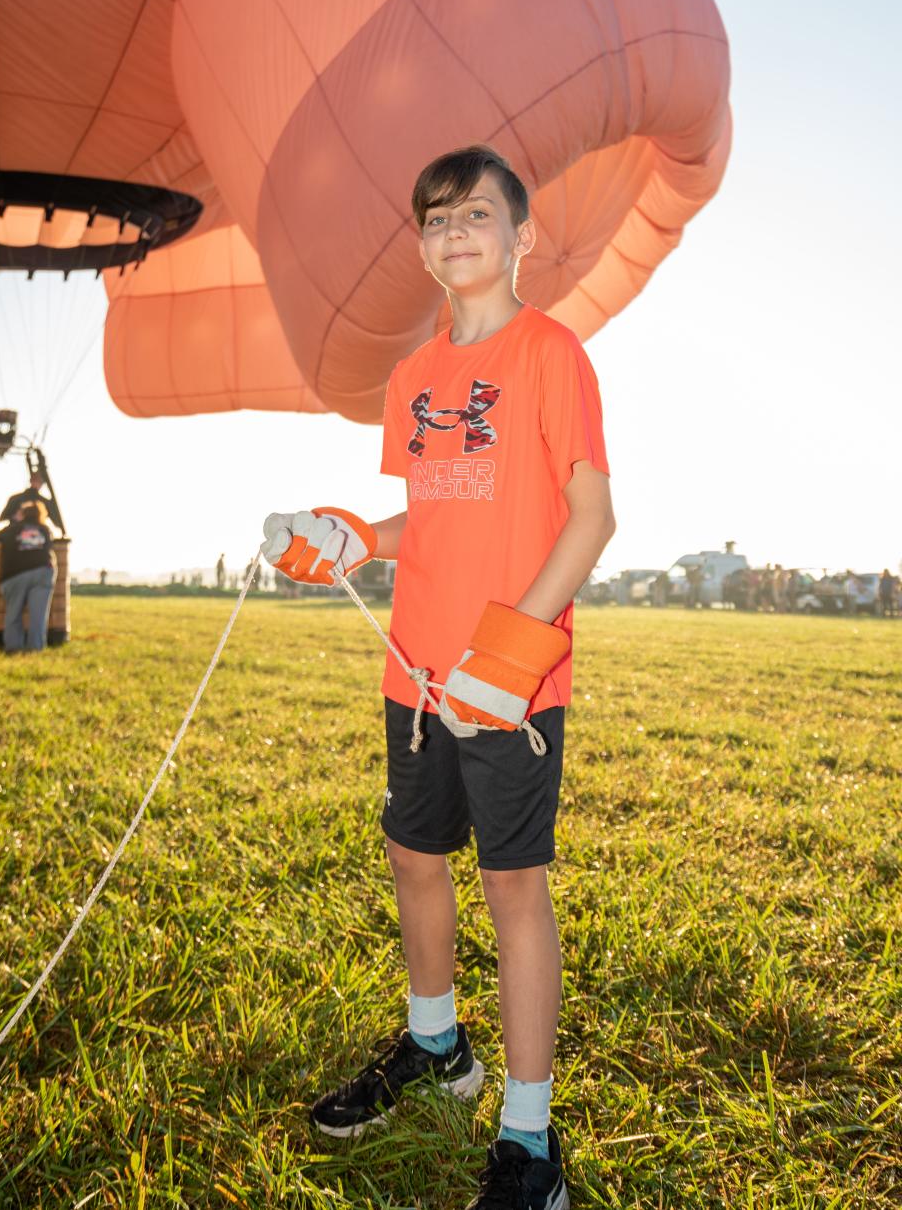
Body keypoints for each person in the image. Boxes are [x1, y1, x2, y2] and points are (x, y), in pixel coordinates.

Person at [263, 146, 614, 1210]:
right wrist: (358, 531)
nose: (453, 230)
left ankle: (528, 1141)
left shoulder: (552, 352)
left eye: (475, 213)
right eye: (435, 218)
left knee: (512, 887)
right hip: (413, 672)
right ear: (421, 245)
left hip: (509, 683)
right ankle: (435, 1047)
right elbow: (435, 513)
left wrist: (512, 650)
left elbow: (592, 515)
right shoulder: (412, 377)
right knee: (414, 858)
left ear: (521, 237)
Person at [0, 499, 57, 651]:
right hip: (43, 572)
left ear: (21, 514)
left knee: (13, 613)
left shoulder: (11, 530)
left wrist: (15, 522)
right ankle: (35, 648)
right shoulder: (45, 529)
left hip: (16, 575)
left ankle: (14, 648)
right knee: (39, 616)